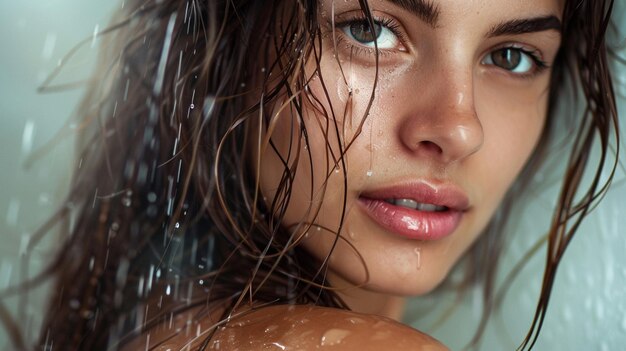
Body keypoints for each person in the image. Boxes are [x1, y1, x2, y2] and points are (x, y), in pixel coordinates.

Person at [0, 0, 619, 349]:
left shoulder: (145, 325)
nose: (459, 128)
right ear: (231, 39)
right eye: (369, 30)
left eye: (512, 57)